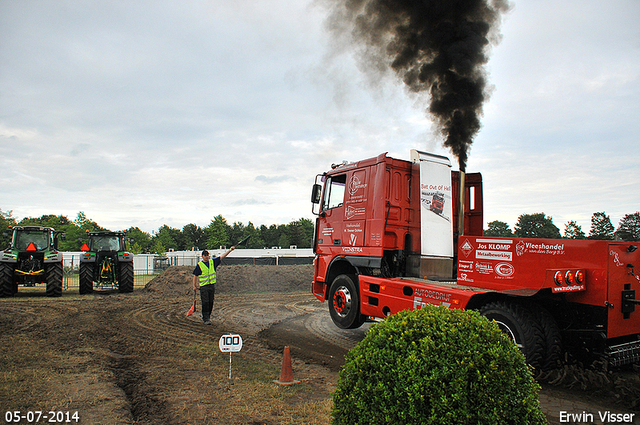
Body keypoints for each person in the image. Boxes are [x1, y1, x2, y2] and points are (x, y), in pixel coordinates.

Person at [192, 247, 235, 324]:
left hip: (211, 286)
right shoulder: (200, 265)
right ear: (202, 256)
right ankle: (206, 318)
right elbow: (195, 275)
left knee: (210, 302)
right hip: (204, 287)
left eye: (207, 255)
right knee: (205, 302)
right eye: (205, 255)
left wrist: (230, 250)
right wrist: (194, 286)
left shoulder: (212, 262)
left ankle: (208, 316)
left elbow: (222, 256)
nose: (207, 256)